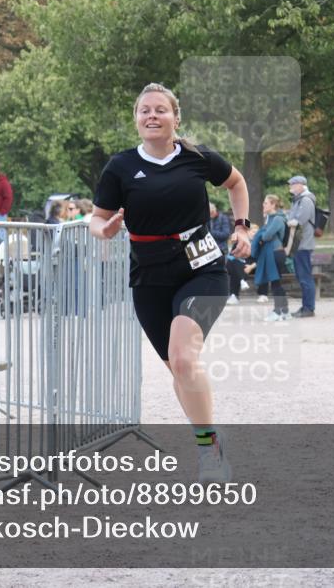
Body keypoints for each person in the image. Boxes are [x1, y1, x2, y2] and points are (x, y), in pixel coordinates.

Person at [90, 82, 250, 484]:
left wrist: (243, 227)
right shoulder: (121, 167)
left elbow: (237, 183)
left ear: (176, 118)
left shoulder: (197, 158)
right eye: (145, 110)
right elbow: (97, 218)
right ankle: (209, 436)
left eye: (160, 110)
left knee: (183, 359)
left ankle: (209, 452)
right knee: (179, 370)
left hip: (203, 268)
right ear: (136, 119)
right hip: (149, 277)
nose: (152, 116)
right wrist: (103, 230)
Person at [251, 194, 290, 322]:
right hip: (273, 253)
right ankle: (284, 311)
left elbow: (267, 236)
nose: (263, 205)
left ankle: (277, 311)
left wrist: (261, 236)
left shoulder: (278, 219)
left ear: (273, 205)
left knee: (275, 283)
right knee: (276, 282)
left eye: (266, 203)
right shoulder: (270, 218)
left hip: (275, 253)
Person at [287, 175, 317, 318]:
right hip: (299, 243)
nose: (290, 187)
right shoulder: (299, 200)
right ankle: (306, 306)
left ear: (300, 185)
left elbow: (299, 220)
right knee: (302, 276)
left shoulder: (306, 200)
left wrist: (291, 221)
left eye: (292, 185)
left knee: (305, 276)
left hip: (303, 243)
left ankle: (309, 308)